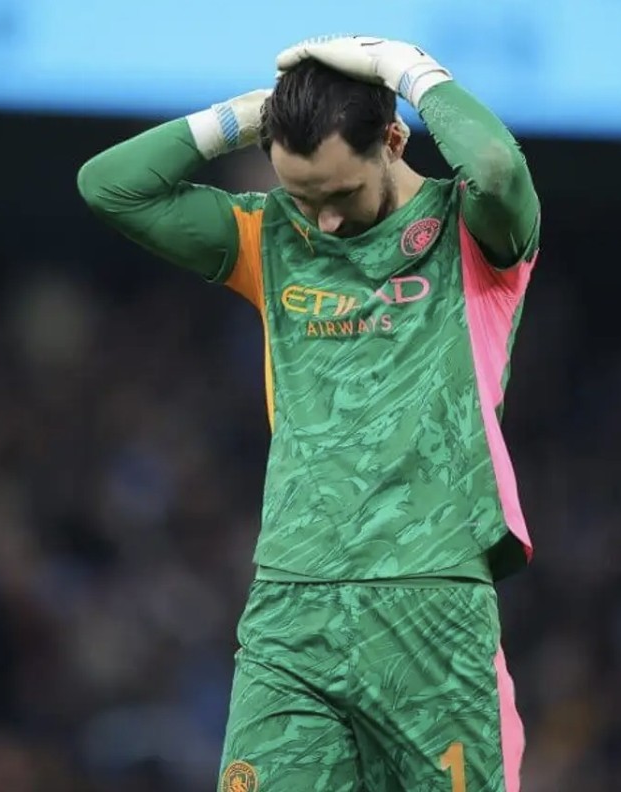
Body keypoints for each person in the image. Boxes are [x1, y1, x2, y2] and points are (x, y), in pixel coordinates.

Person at [77, 35, 541, 792]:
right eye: (300, 195)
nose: (321, 220)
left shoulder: (472, 231)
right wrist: (244, 118)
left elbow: (494, 166)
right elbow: (110, 187)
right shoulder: (271, 236)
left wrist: (407, 70)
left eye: (340, 194)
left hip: (431, 598)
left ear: (393, 141)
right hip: (291, 604)